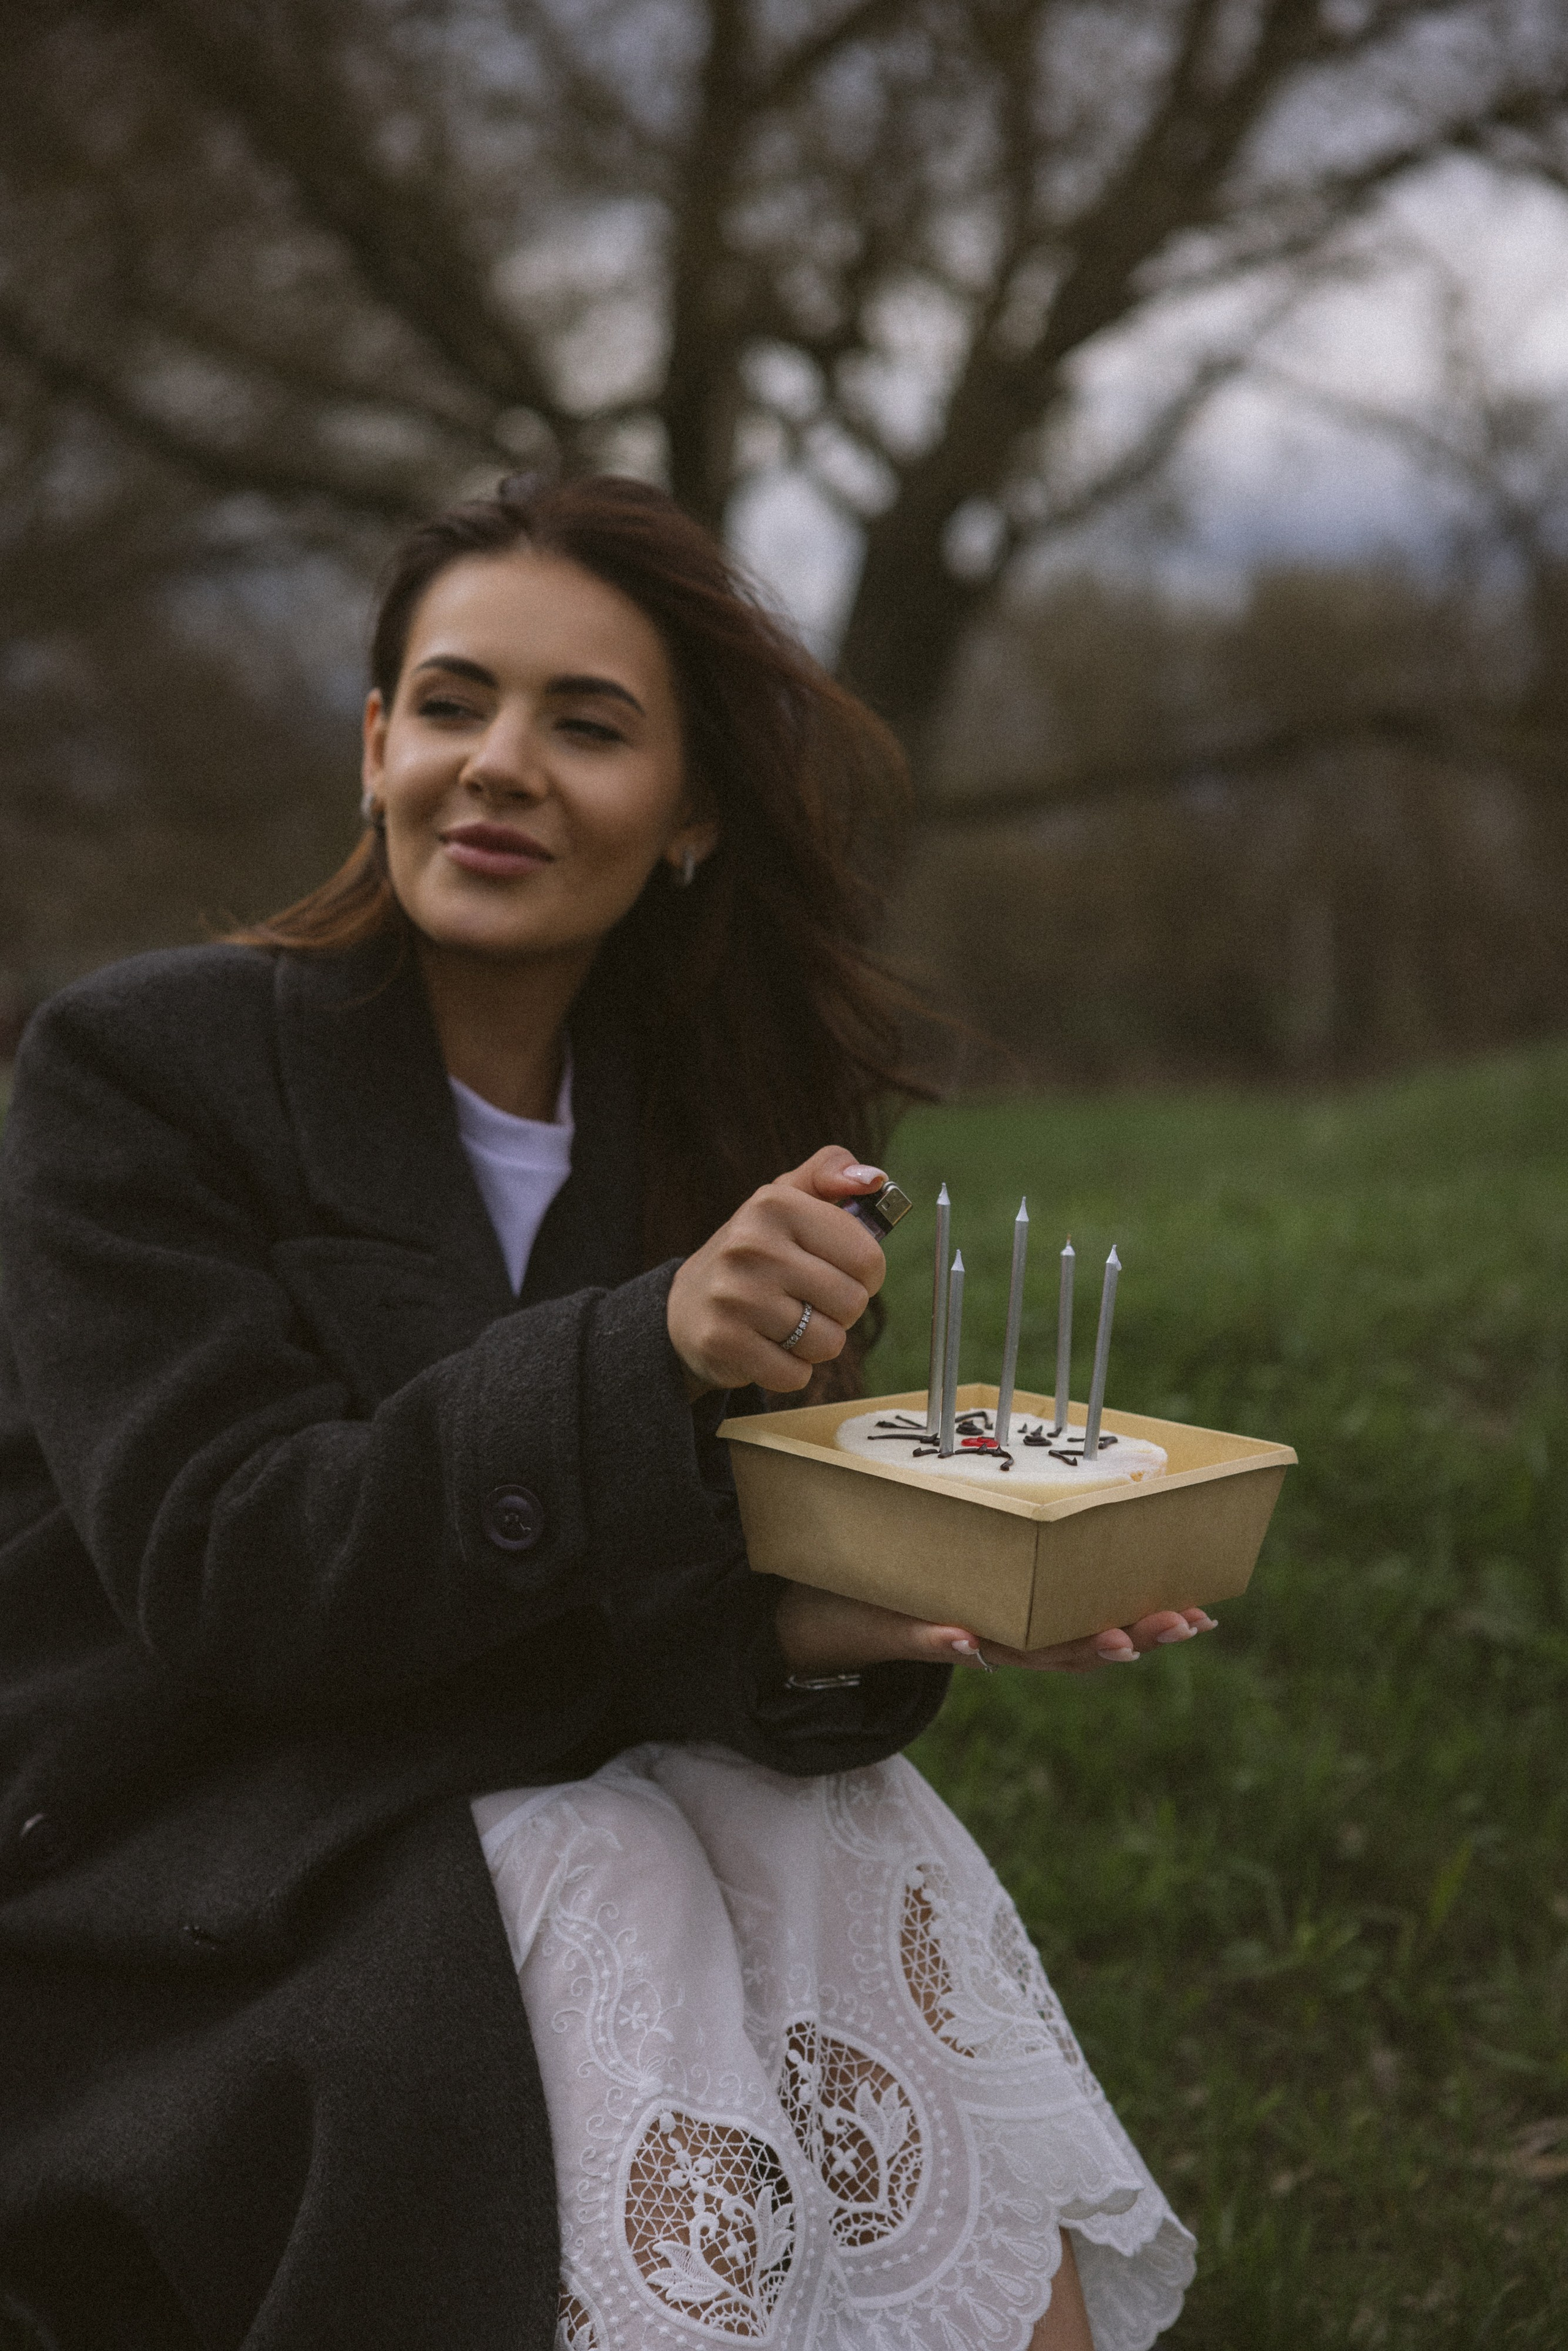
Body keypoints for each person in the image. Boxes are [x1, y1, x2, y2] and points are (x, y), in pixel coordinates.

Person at [0, 474, 1200, 2351]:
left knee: (838, 1822)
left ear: (695, 812)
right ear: (377, 743)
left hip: (487, 1777)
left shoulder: (715, 1135)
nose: (500, 765)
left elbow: (647, 1616)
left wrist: (843, 1610)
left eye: (587, 724)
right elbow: (237, 1576)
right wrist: (648, 1354)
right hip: (173, 1851)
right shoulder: (137, 1071)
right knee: (608, 1857)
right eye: (456, 703)